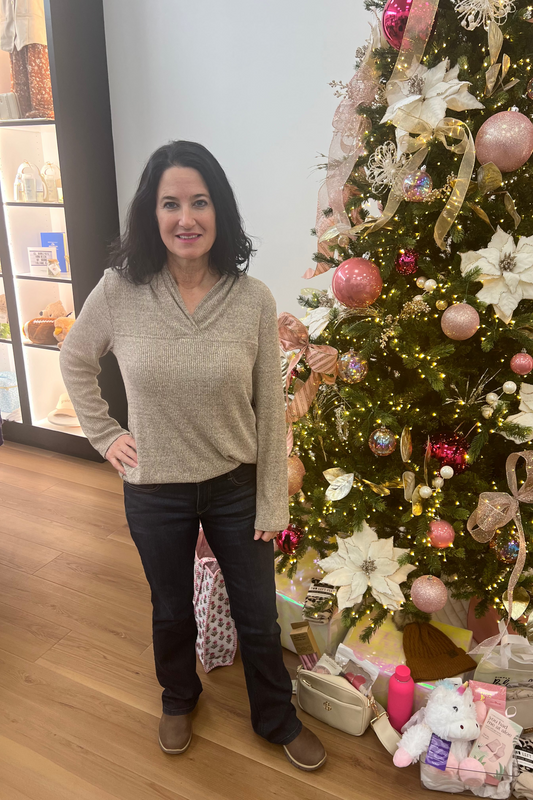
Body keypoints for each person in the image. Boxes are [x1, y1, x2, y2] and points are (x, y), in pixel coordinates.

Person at [59, 140, 326, 772]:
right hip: (155, 489)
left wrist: (272, 498)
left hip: (237, 486)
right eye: (170, 203)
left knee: (259, 617)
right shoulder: (121, 291)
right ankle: (179, 697)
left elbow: (268, 401)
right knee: (171, 608)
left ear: (219, 211)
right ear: (151, 216)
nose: (186, 217)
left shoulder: (253, 299)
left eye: (199, 202)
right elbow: (74, 358)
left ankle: (275, 718)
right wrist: (103, 435)